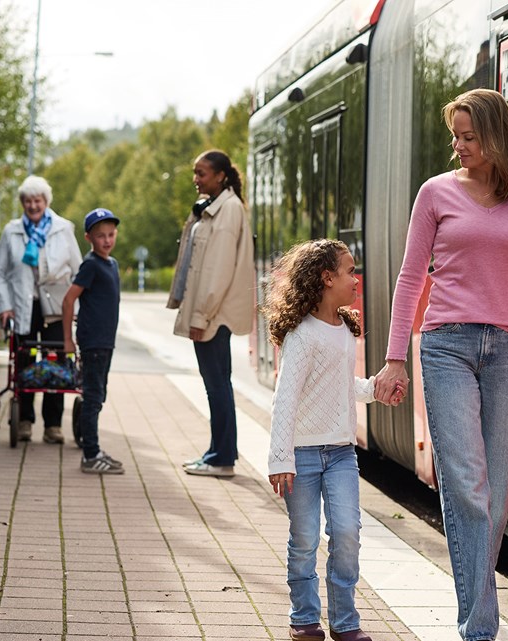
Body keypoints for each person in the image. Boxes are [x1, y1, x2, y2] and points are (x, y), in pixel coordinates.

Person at [373, 89, 508, 641]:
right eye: (455, 136)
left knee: (498, 489)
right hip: (446, 346)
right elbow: (411, 277)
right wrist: (394, 358)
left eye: (468, 136)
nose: (458, 147)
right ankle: (480, 626)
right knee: (467, 485)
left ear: (496, 137)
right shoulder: (435, 193)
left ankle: (476, 610)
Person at [264, 239, 402, 641]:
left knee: (347, 533)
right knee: (304, 538)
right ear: (326, 278)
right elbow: (285, 397)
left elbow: (342, 386)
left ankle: (345, 622)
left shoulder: (344, 330)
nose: (356, 278)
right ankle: (305, 618)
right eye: (349, 271)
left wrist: (375, 389)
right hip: (302, 456)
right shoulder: (302, 335)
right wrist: (280, 459)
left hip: (342, 453)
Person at [169, 150, 255, 478]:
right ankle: (218, 452)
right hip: (213, 313)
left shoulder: (227, 211)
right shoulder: (215, 207)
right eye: (195, 172)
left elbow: (217, 271)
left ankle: (221, 459)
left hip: (214, 314)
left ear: (220, 176)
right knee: (216, 384)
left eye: (201, 173)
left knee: (217, 384)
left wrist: (200, 316)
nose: (196, 179)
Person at [0, 175, 83, 443]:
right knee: (25, 362)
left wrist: (76, 306)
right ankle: (24, 421)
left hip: (57, 308)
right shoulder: (12, 231)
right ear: (22, 203)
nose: (33, 206)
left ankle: (53, 425)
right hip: (23, 306)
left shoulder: (63, 229)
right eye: (28, 201)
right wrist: (5, 306)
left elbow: (78, 271)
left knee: (57, 364)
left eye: (38, 200)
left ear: (46, 202)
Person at [62, 209, 125, 474]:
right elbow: (68, 299)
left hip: (105, 342)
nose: (107, 240)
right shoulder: (90, 264)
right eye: (100, 236)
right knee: (92, 397)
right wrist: (68, 339)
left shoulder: (111, 264)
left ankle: (95, 449)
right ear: (89, 237)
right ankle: (90, 455)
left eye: (110, 235)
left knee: (98, 397)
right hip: (92, 342)